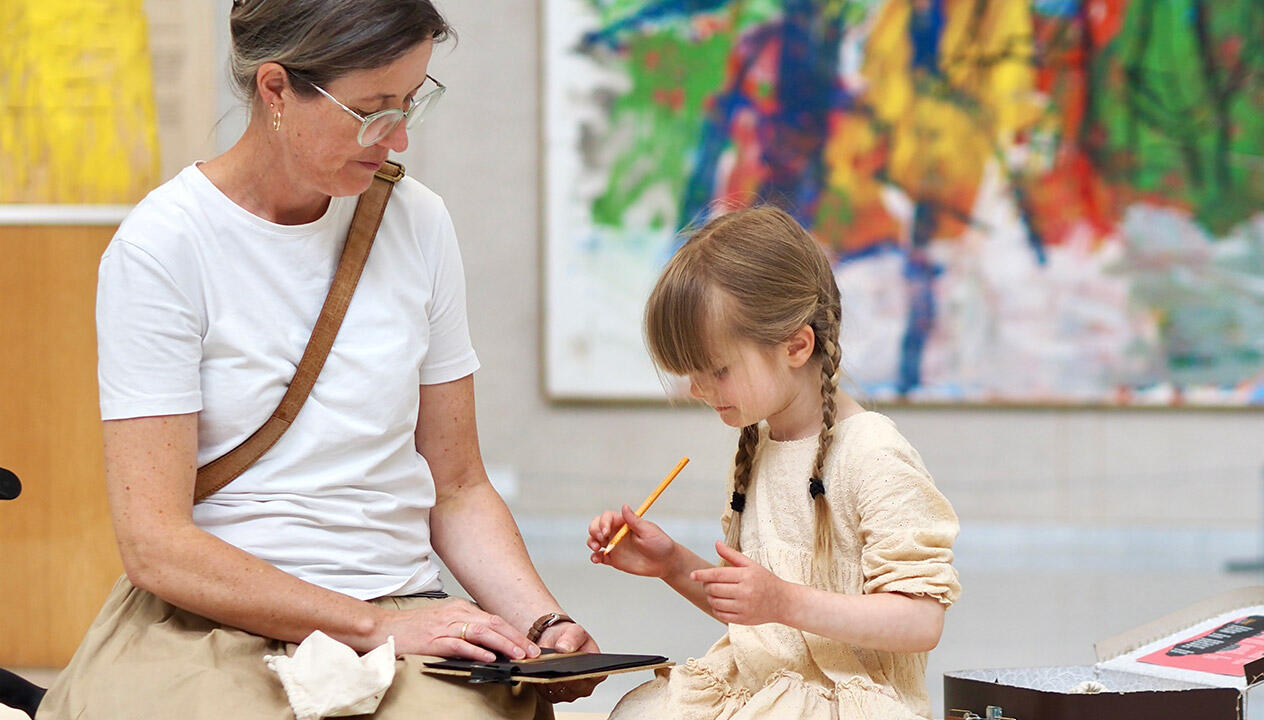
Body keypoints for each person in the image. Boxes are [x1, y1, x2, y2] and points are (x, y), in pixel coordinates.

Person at [36, 2, 597, 718]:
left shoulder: (417, 222)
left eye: (409, 104)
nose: (396, 142)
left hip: (401, 604)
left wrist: (542, 624)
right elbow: (156, 543)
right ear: (276, 89)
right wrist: (373, 629)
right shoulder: (162, 248)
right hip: (213, 620)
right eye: (370, 111)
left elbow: (457, 486)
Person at [586, 206, 961, 719]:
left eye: (716, 370)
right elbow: (761, 623)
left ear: (797, 345)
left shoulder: (872, 453)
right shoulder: (758, 450)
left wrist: (785, 600)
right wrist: (672, 564)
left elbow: (922, 624)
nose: (697, 390)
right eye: (691, 373)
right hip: (760, 695)